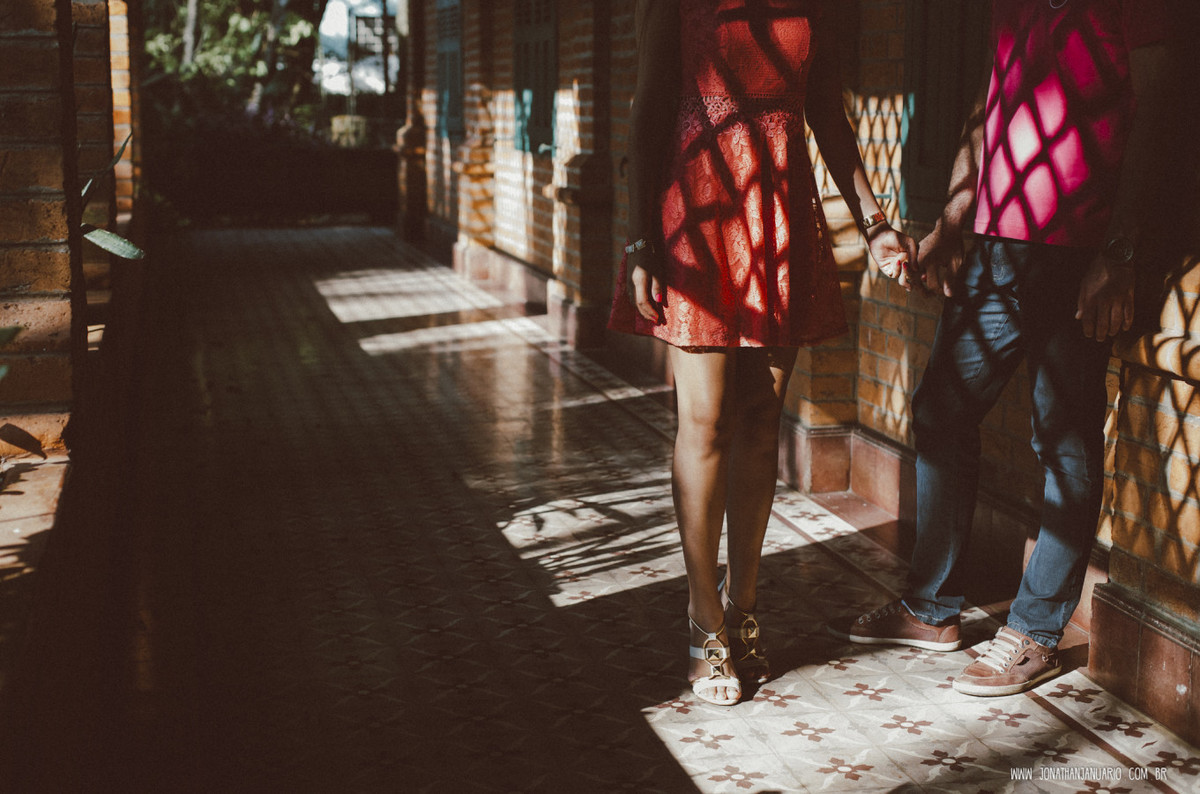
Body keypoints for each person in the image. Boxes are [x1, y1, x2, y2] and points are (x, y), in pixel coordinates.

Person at [832, 0, 1168, 697]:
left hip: (1079, 249)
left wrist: (1122, 250)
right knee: (940, 410)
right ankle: (932, 608)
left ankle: (1036, 628)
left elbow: (1158, 109)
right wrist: (955, 221)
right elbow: (990, 106)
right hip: (995, 246)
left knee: (1063, 438)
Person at [609, 0, 917, 706]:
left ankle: (743, 603)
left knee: (759, 415)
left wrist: (874, 225)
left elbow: (830, 117)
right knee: (707, 420)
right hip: (699, 208)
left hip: (778, 208)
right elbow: (648, 108)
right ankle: (702, 618)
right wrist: (638, 242)